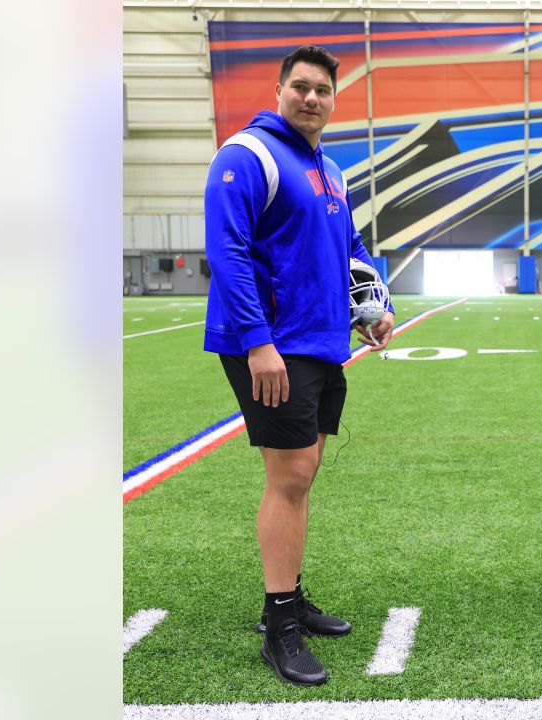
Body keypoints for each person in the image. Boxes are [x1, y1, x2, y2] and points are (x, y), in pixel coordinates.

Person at [203, 45, 394, 685]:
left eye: (323, 90)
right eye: (301, 87)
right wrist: (258, 342)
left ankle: (288, 595)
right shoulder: (247, 155)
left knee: (303, 471)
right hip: (272, 345)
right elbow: (226, 251)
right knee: (289, 475)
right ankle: (279, 623)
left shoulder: (328, 168)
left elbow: (352, 247)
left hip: (319, 341)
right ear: (280, 89)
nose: (312, 98)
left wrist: (373, 309)